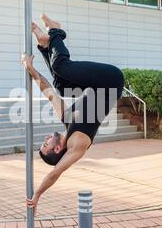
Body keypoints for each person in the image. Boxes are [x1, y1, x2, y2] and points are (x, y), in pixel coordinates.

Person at [21, 14, 124, 215]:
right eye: (46, 144)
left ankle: (44, 45)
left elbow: (48, 91)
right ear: (58, 148)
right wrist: (37, 195)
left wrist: (31, 68)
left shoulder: (67, 120)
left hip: (96, 84)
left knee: (60, 85)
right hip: (110, 81)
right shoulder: (78, 145)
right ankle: (56, 32)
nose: (46, 138)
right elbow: (54, 174)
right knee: (61, 66)